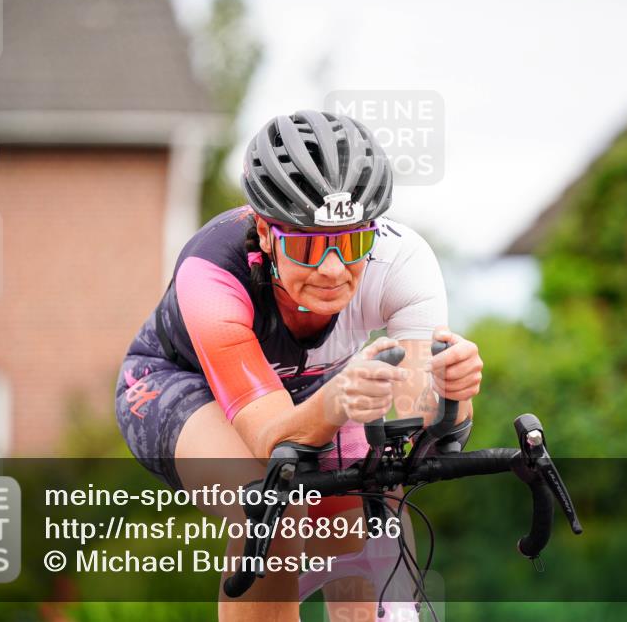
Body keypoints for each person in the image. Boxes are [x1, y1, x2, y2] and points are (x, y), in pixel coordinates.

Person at [115, 110, 483, 621]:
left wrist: (454, 395)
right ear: (265, 234)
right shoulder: (211, 273)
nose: (333, 269)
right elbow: (270, 438)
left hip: (313, 385)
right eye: (308, 246)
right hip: (178, 384)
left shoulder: (403, 263)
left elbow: (412, 432)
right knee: (272, 504)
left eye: (352, 242)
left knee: (372, 493)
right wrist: (335, 402)